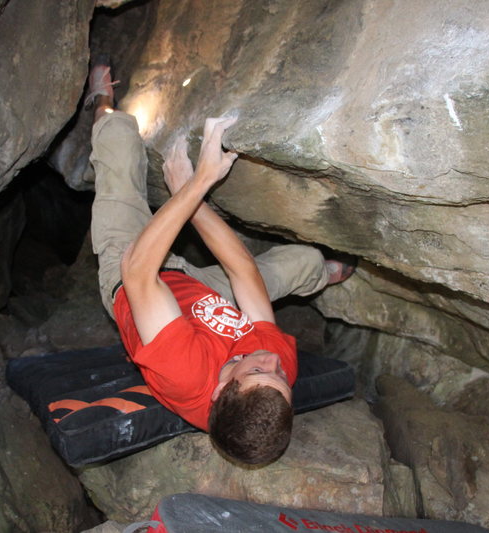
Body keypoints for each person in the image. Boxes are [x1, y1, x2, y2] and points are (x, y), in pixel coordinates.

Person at [86, 56, 354, 465]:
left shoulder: (186, 374)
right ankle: (320, 274)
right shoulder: (274, 379)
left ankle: (99, 102)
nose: (274, 362)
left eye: (260, 371)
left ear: (219, 389)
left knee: (120, 143)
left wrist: (194, 186)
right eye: (281, 378)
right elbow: (243, 272)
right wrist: (193, 205)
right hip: (203, 290)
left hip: (132, 275)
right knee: (303, 260)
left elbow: (140, 271)